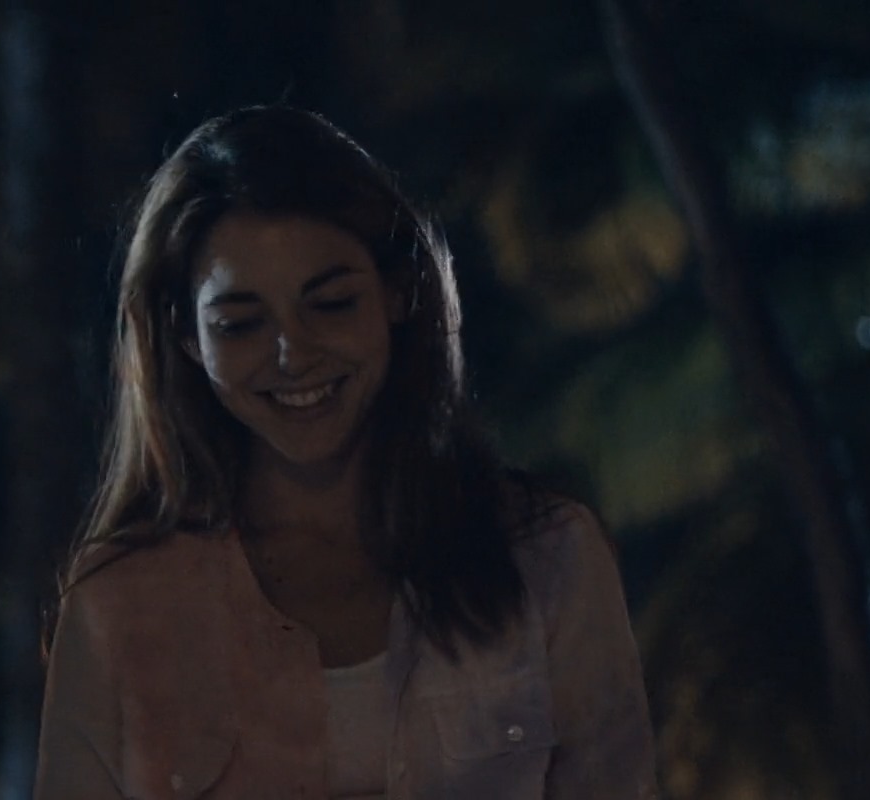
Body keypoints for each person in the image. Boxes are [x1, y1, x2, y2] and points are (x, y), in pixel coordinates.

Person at [34, 106, 658, 799]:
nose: (292, 353)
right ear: (188, 338)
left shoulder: (546, 559)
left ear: (397, 293)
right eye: (240, 324)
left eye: (331, 304)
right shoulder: (121, 605)